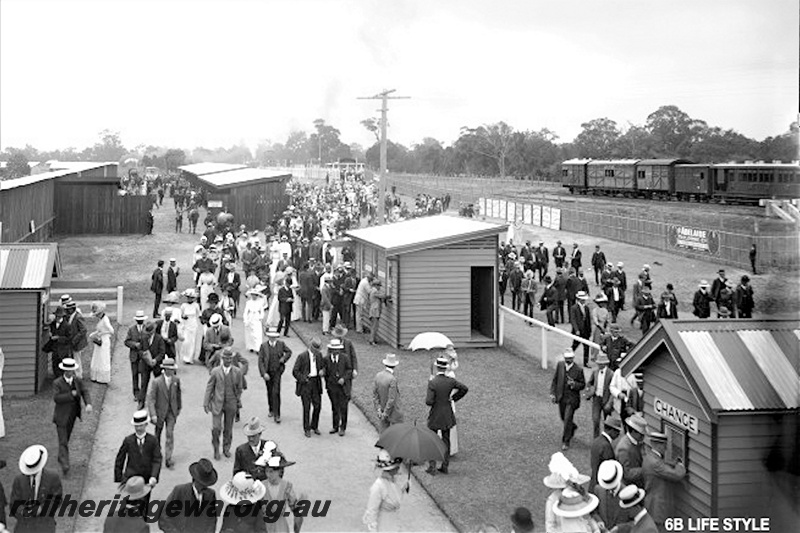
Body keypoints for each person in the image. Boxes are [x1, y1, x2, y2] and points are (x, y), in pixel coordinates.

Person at [426, 356, 469, 475]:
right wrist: (453, 398)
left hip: (435, 414)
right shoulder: (450, 381)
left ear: (437, 367)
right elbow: (464, 388)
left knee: (432, 440)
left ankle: (432, 466)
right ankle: (445, 466)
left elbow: (429, 401)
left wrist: (430, 385)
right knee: (446, 440)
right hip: (447, 414)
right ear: (445, 368)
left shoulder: (433, 382)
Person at [52, 357, 92, 477]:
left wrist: (88, 404)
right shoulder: (57, 383)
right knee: (63, 441)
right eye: (68, 370)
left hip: (72, 416)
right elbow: (57, 398)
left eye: (72, 370)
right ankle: (65, 465)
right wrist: (71, 395)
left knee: (66, 439)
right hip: (61, 416)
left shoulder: (77, 381)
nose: (70, 372)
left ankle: (61, 457)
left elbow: (85, 391)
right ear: (65, 371)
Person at [10, 444, 63, 533]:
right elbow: (13, 504)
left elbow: (57, 500)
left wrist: (41, 509)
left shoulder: (53, 477)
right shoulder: (19, 480)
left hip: (44, 524)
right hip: (24, 526)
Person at [114, 409, 162, 505]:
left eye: (141, 425)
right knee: (128, 505)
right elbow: (120, 459)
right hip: (130, 479)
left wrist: (153, 476)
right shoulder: (128, 440)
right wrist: (119, 478)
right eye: (136, 426)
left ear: (146, 425)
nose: (139, 428)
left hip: (146, 480)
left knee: (144, 505)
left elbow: (157, 459)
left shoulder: (153, 440)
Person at [158, 459, 219, 533]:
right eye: (202, 483)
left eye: (207, 483)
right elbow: (164, 518)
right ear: (195, 479)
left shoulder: (210, 495)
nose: (205, 486)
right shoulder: (180, 491)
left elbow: (211, 521)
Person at [204, 348, 244, 460]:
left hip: (231, 403)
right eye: (226, 358)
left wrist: (237, 399)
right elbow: (209, 387)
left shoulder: (237, 372)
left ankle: (226, 448)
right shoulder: (216, 371)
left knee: (228, 428)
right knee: (216, 428)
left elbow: (240, 387)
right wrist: (206, 402)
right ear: (222, 359)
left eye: (230, 358)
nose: (228, 360)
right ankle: (216, 449)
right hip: (217, 402)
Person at [642, 431, 686, 531]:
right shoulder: (655, 463)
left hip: (652, 504)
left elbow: (663, 465)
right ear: (659, 445)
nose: (666, 448)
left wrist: (672, 463)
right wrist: (680, 465)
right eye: (664, 445)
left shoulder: (649, 458)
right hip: (658, 509)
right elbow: (677, 475)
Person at [146, 357, 181, 469]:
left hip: (171, 412)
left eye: (173, 368)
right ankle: (156, 456)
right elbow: (151, 399)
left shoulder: (176, 380)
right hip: (159, 413)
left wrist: (178, 408)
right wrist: (153, 414)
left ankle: (168, 458)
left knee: (170, 434)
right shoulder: (156, 382)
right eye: (170, 369)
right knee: (157, 435)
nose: (172, 371)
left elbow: (178, 395)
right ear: (165, 369)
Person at [363, 450, 408, 532]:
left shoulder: (393, 481)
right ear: (391, 469)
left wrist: (404, 488)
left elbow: (395, 498)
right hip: (382, 526)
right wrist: (373, 528)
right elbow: (372, 510)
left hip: (394, 524)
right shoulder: (378, 486)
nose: (399, 468)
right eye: (397, 466)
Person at [550, 349, 585, 451]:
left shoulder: (578, 370)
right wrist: (553, 393)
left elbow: (582, 384)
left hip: (572, 399)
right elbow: (555, 380)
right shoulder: (560, 365)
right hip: (561, 397)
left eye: (569, 359)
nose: (567, 360)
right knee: (563, 418)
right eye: (566, 358)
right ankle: (572, 427)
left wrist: (574, 384)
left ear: (573, 358)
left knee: (567, 419)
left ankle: (566, 441)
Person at [262, 454, 304, 533]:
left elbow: (295, 510)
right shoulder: (261, 486)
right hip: (264, 525)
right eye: (266, 471)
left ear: (279, 471)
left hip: (280, 525)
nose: (268, 475)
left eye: (271, 471)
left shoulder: (287, 486)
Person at [258, 329, 292, 423]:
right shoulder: (263, 346)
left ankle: (277, 415)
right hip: (268, 372)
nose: (273, 339)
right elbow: (260, 360)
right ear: (268, 337)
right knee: (269, 391)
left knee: (276, 392)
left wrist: (283, 359)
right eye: (271, 337)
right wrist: (264, 373)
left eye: (274, 337)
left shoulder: (281, 344)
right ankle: (271, 409)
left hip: (277, 371)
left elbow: (289, 352)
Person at [293, 339, 325, 438]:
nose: (317, 352)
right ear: (311, 347)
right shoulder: (302, 356)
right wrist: (303, 379)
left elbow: (323, 366)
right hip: (306, 383)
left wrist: (322, 371)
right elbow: (295, 371)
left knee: (317, 406)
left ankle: (314, 426)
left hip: (316, 383)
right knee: (306, 407)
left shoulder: (319, 356)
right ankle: (307, 428)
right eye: (316, 349)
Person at [323, 338, 352, 436]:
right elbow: (325, 371)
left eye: (337, 349)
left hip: (342, 387)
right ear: (331, 350)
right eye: (334, 349)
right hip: (332, 387)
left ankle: (343, 427)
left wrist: (344, 378)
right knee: (335, 407)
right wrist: (323, 373)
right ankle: (335, 426)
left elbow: (349, 370)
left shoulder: (345, 358)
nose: (336, 351)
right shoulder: (326, 359)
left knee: (343, 407)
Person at [589, 414, 621, 492]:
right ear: (612, 430)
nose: (618, 434)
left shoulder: (596, 441)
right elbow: (610, 469)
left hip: (593, 483)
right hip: (602, 487)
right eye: (617, 431)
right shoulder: (606, 446)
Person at [593, 460, 629, 531]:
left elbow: (635, 521)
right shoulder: (598, 490)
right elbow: (594, 511)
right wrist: (598, 520)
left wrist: (619, 528)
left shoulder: (628, 494)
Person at [138, 321, 166, 410]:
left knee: (159, 383)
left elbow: (162, 352)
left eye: (150, 333)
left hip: (156, 365)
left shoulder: (159, 338)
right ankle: (141, 402)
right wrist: (144, 354)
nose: (148, 335)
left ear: (153, 331)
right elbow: (139, 350)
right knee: (144, 383)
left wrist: (155, 360)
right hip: (145, 364)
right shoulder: (143, 338)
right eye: (147, 333)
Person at [585, 353, 613, 439]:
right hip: (597, 399)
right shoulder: (595, 372)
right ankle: (596, 439)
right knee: (595, 420)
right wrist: (589, 389)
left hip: (606, 400)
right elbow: (589, 383)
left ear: (605, 364)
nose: (599, 365)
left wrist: (609, 403)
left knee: (607, 422)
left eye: (601, 363)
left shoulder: (611, 374)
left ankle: (606, 439)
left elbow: (613, 390)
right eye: (598, 363)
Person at [373, 354, 403, 431]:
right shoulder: (392, 379)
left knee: (383, 435)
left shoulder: (378, 376)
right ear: (394, 366)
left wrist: (379, 410)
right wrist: (385, 414)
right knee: (396, 435)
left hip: (382, 409)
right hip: (394, 413)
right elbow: (392, 399)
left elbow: (375, 395)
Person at [615, 412, 647, 487]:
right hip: (629, 488)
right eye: (641, 434)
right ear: (633, 431)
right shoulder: (624, 449)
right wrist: (646, 469)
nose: (643, 437)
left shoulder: (638, 442)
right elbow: (627, 474)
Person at [124, 311, 149, 401]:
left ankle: (142, 393)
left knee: (144, 375)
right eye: (138, 320)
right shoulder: (131, 329)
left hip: (144, 356)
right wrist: (134, 344)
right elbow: (126, 341)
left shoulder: (147, 328)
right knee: (134, 375)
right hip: (134, 355)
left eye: (141, 320)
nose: (140, 321)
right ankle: (136, 393)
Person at [89, 301, 114, 383]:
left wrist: (102, 333)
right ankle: (96, 376)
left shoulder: (105, 320)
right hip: (100, 340)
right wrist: (94, 333)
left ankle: (103, 378)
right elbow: (100, 329)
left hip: (104, 341)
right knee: (98, 358)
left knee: (103, 358)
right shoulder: (101, 319)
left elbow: (111, 331)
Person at [179, 289, 203, 364]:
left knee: (192, 341)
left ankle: (190, 358)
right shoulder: (183, 305)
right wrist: (183, 317)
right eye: (188, 297)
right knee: (186, 342)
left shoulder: (196, 305)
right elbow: (180, 315)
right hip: (186, 324)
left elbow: (199, 314)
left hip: (193, 324)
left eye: (191, 298)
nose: (189, 299)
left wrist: (202, 321)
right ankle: (185, 357)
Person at [570, 291, 592, 366]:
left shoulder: (586, 308)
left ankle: (586, 362)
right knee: (575, 346)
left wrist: (589, 330)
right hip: (578, 331)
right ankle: (569, 358)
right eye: (582, 299)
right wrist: (576, 330)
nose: (584, 301)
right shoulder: (574, 308)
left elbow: (588, 320)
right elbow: (573, 320)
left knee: (586, 347)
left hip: (585, 331)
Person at [590, 293, 609, 362]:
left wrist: (605, 326)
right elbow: (595, 321)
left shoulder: (605, 310)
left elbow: (607, 319)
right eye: (601, 303)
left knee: (605, 341)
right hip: (598, 327)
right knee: (596, 341)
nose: (602, 304)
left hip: (604, 326)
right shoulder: (595, 310)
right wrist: (601, 328)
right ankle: (594, 356)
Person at [367, 278, 385, 345]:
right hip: (375, 311)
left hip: (374, 310)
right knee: (374, 326)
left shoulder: (372, 290)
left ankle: (373, 339)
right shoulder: (374, 291)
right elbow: (382, 296)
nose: (379, 287)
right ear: (376, 285)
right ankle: (372, 340)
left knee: (374, 326)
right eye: (379, 286)